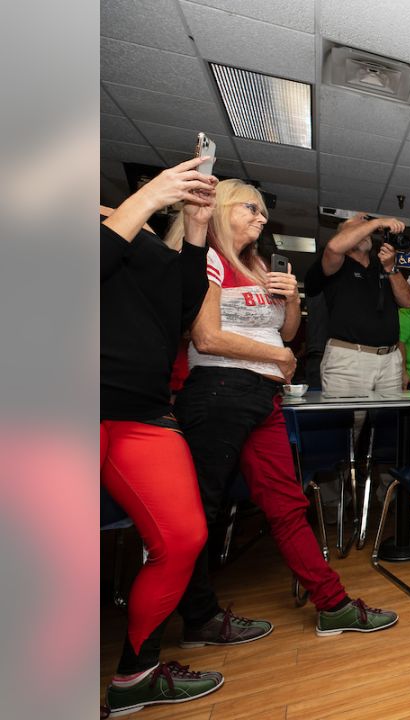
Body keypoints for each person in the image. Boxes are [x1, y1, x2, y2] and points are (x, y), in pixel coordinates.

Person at [173, 179, 398, 645]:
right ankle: (196, 617)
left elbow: (289, 332)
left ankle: (332, 605)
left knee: (287, 503)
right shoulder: (206, 258)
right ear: (221, 210)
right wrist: (278, 359)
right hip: (218, 390)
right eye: (250, 209)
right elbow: (206, 337)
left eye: (261, 211)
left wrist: (292, 299)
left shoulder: (257, 265)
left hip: (262, 398)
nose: (260, 217)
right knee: (200, 512)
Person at [100, 156, 224, 715]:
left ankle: (136, 675)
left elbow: (181, 305)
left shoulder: (143, 232)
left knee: (181, 539)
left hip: (143, 412)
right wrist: (147, 199)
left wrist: (196, 226)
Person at [308, 213, 410, 398]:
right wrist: (378, 222)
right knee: (348, 422)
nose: (366, 232)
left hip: (390, 359)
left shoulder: (380, 264)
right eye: (356, 229)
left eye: (368, 231)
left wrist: (391, 268)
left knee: (387, 422)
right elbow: (333, 247)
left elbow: (407, 301)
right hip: (349, 357)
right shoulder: (335, 264)